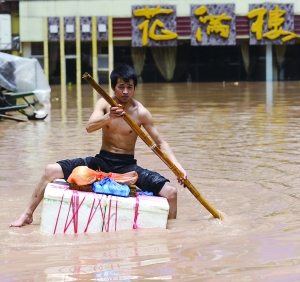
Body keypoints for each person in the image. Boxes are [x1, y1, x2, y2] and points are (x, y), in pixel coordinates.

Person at [10, 65, 187, 227]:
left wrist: (177, 167)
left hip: (127, 165)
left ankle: (170, 232)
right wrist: (109, 116)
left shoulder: (141, 113)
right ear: (113, 87)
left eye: (130, 87)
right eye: (121, 86)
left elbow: (160, 142)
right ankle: (27, 214)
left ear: (134, 88)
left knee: (171, 193)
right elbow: (89, 127)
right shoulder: (104, 104)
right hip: (101, 161)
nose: (125, 92)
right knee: (50, 170)